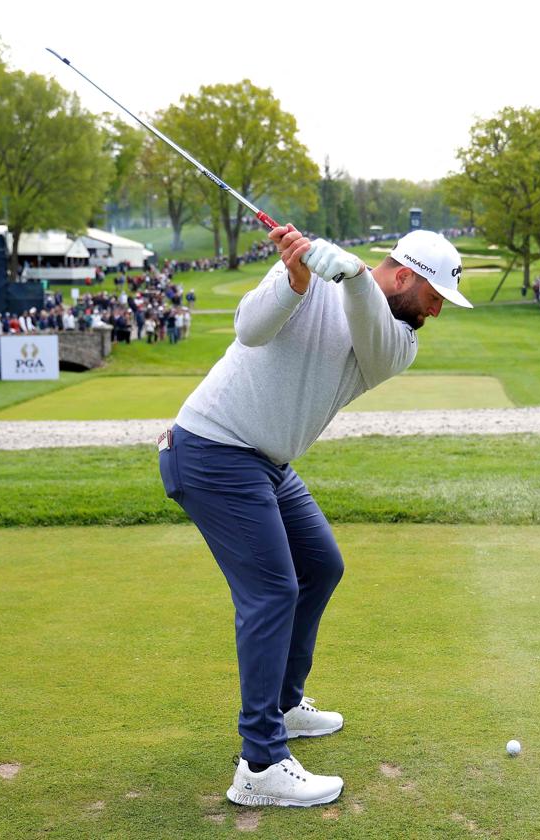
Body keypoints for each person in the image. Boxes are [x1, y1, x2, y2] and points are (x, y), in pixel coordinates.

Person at [157, 225, 471, 808]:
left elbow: (370, 336)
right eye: (434, 298)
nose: (436, 313)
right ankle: (261, 764)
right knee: (273, 592)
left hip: (266, 462)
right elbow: (249, 330)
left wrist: (350, 277)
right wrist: (295, 282)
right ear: (404, 277)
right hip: (213, 450)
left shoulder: (398, 340)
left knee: (321, 565)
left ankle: (282, 704)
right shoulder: (312, 277)